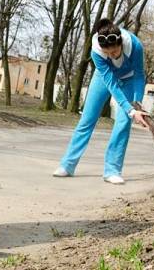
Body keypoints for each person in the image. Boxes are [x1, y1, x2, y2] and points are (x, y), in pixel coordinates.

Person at [53, 18, 148, 184]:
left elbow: (140, 75)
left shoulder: (135, 46)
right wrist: (130, 109)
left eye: (115, 52)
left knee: (123, 123)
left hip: (129, 80)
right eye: (108, 54)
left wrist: (136, 105)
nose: (112, 56)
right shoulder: (96, 50)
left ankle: (112, 170)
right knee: (87, 119)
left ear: (120, 43)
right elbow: (111, 83)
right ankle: (67, 165)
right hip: (104, 79)